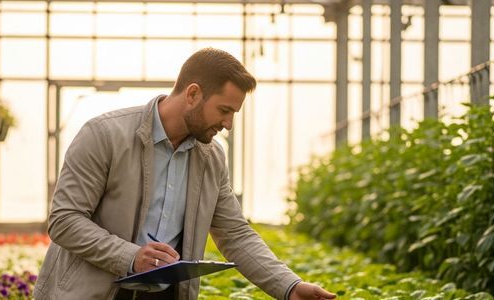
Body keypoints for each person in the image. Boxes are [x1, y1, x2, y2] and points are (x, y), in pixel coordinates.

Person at [34, 48, 336, 300]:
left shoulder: (211, 158)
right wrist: (130, 256)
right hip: (95, 292)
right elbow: (65, 220)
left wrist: (290, 287)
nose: (229, 124)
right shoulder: (105, 135)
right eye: (224, 110)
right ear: (193, 94)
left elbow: (235, 235)